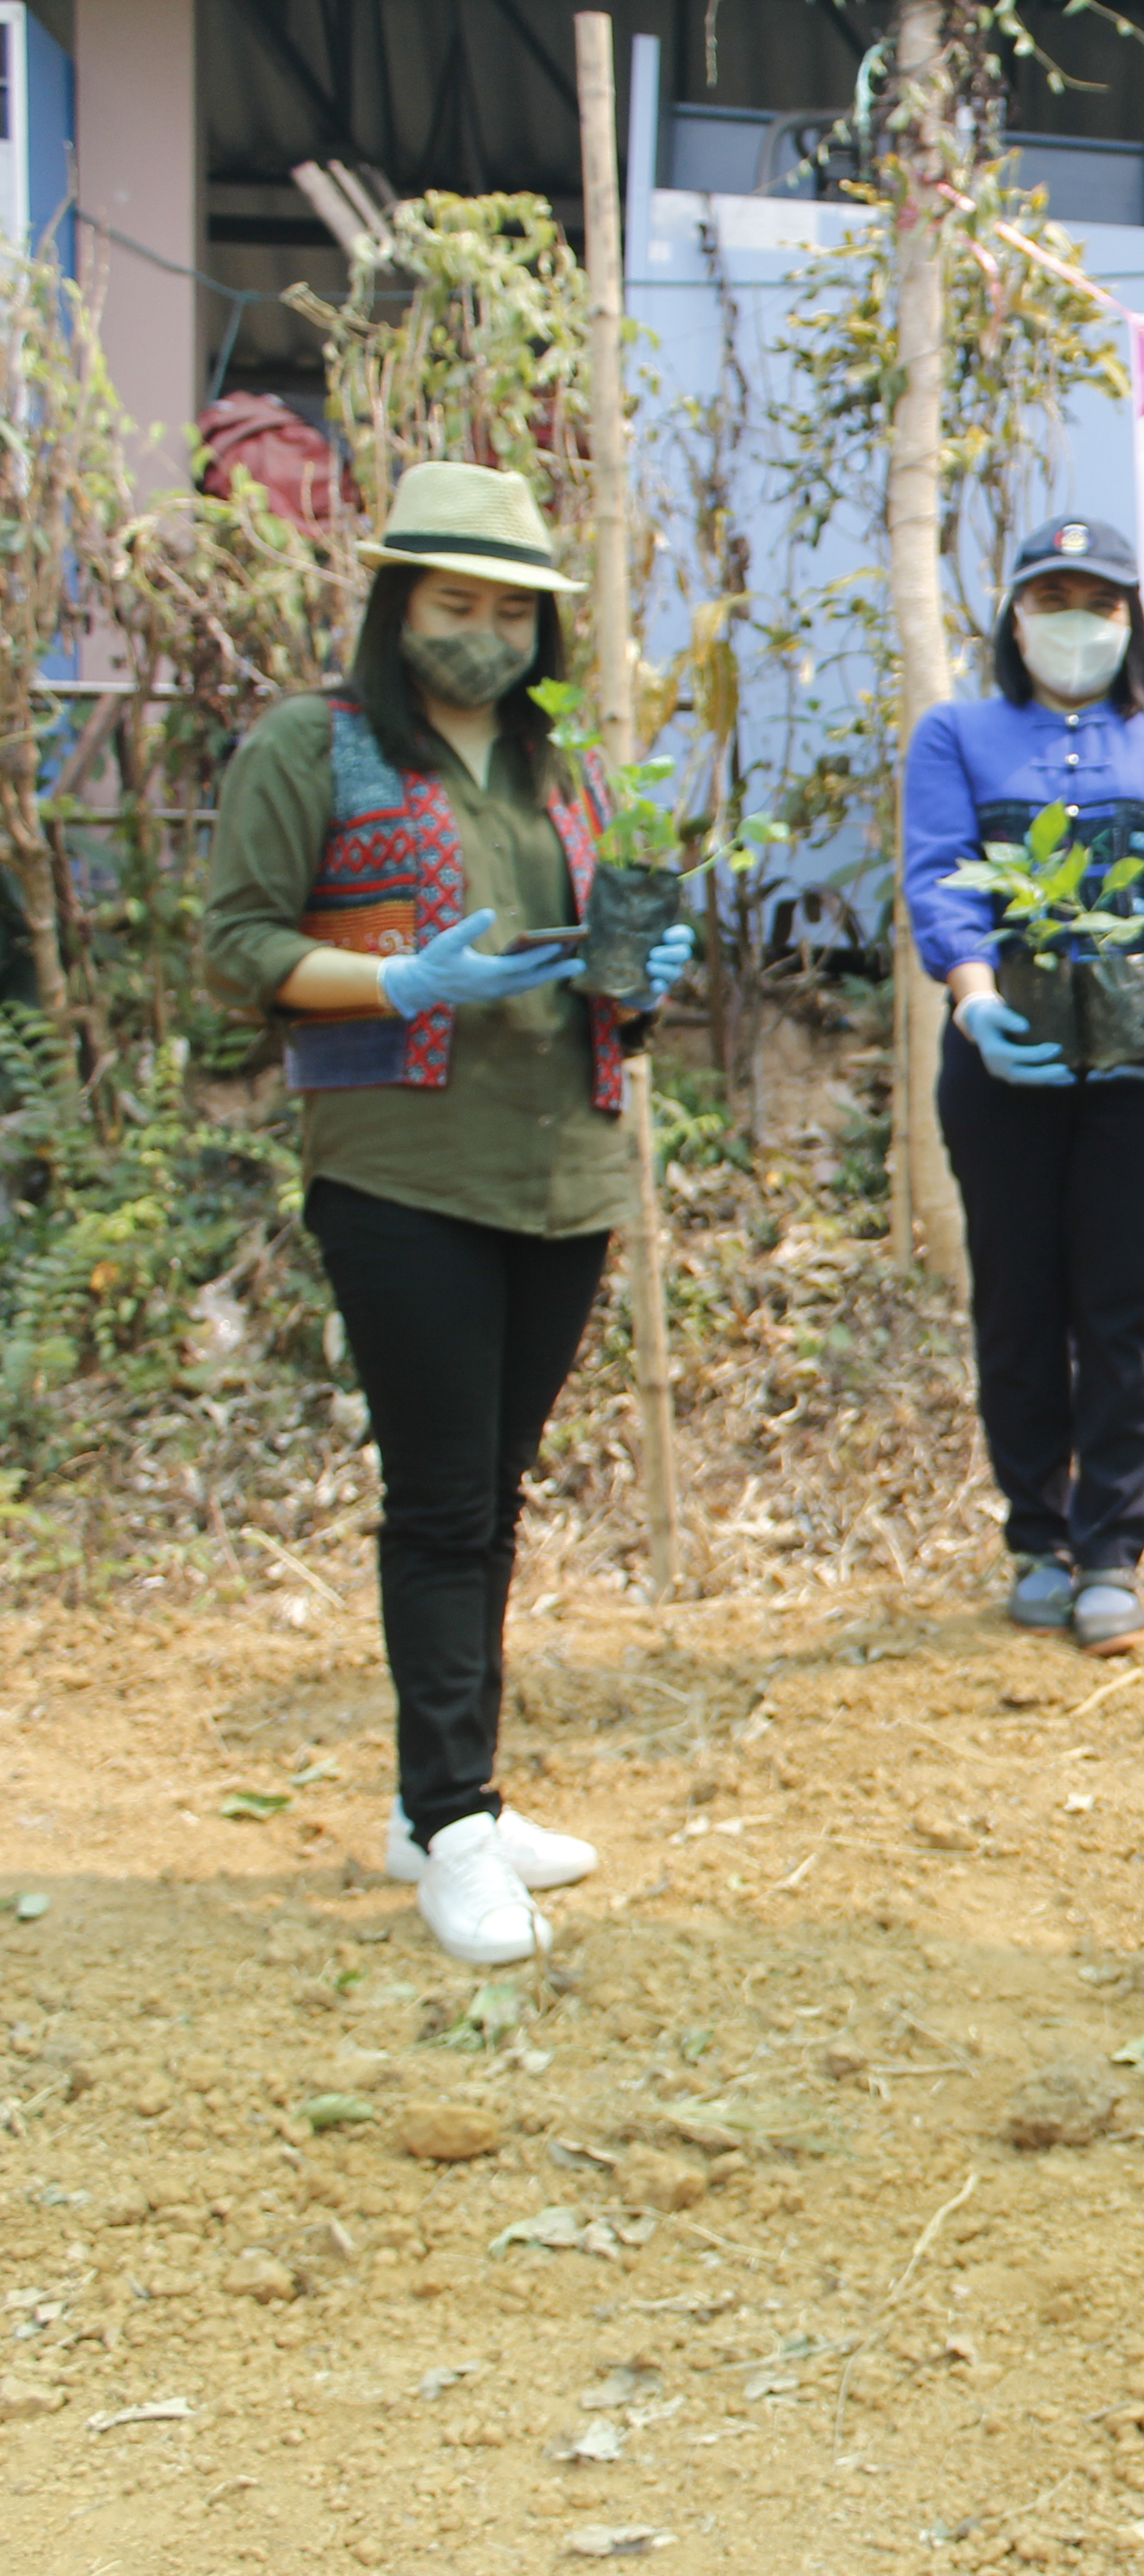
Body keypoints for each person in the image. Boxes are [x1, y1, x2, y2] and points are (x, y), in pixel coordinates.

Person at [197, 460, 699, 1965]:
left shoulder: (570, 769)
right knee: (439, 1503)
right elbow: (238, 942)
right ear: (397, 603)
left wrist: (645, 983)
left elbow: (618, 957)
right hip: (403, 1169)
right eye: (451, 600)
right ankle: (457, 1821)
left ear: (544, 628)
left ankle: (445, 1808)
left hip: (564, 1172)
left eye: (508, 609)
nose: (480, 631)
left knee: (497, 1489)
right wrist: (400, 981)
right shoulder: (319, 747)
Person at [905, 514, 1144, 1660]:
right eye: (1054, 599)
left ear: (1131, 619)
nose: (1077, 623)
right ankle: (1035, 1538)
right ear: (1015, 616)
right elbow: (943, 878)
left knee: (1125, 1304)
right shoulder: (956, 734)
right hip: (1007, 1056)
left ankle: (1111, 1548)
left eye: (1100, 604)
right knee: (1017, 1299)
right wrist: (971, 996)